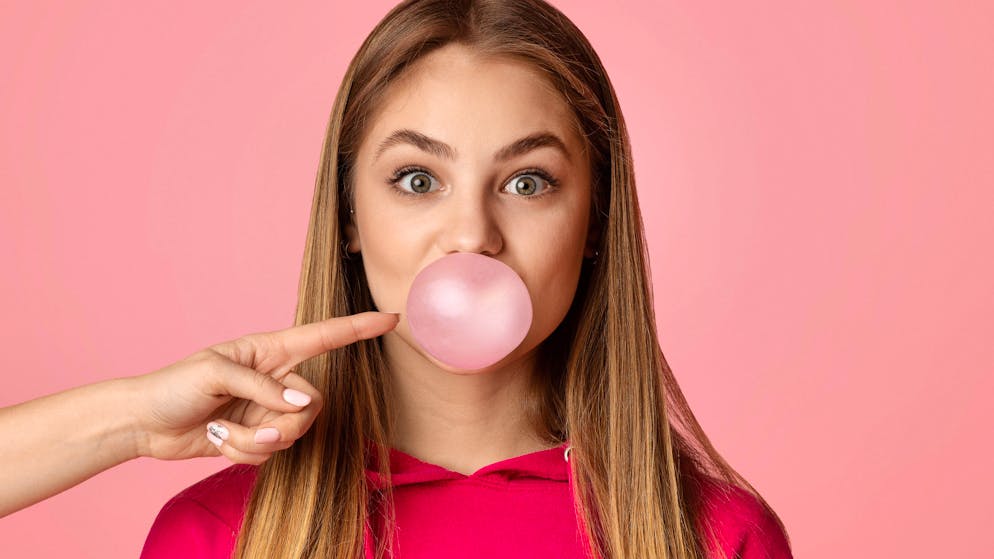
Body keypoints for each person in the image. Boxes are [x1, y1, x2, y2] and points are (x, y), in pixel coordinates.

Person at [140, 1, 795, 558]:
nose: (472, 234)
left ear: (594, 220)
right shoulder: (219, 536)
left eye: (526, 182)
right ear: (349, 216)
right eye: (418, 180)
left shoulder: (715, 537)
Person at [0, 311, 400, 519]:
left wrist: (140, 424)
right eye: (418, 182)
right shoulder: (209, 529)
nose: (465, 238)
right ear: (350, 223)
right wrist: (139, 423)